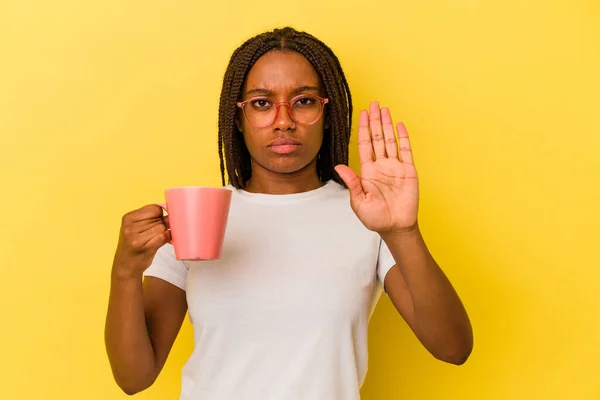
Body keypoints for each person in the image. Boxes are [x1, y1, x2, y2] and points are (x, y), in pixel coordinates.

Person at [104, 27, 473, 400]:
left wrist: (403, 232)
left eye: (304, 101)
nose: (283, 121)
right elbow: (134, 377)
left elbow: (453, 348)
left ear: (328, 114)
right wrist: (125, 271)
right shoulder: (197, 217)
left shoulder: (367, 217)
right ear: (238, 117)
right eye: (262, 103)